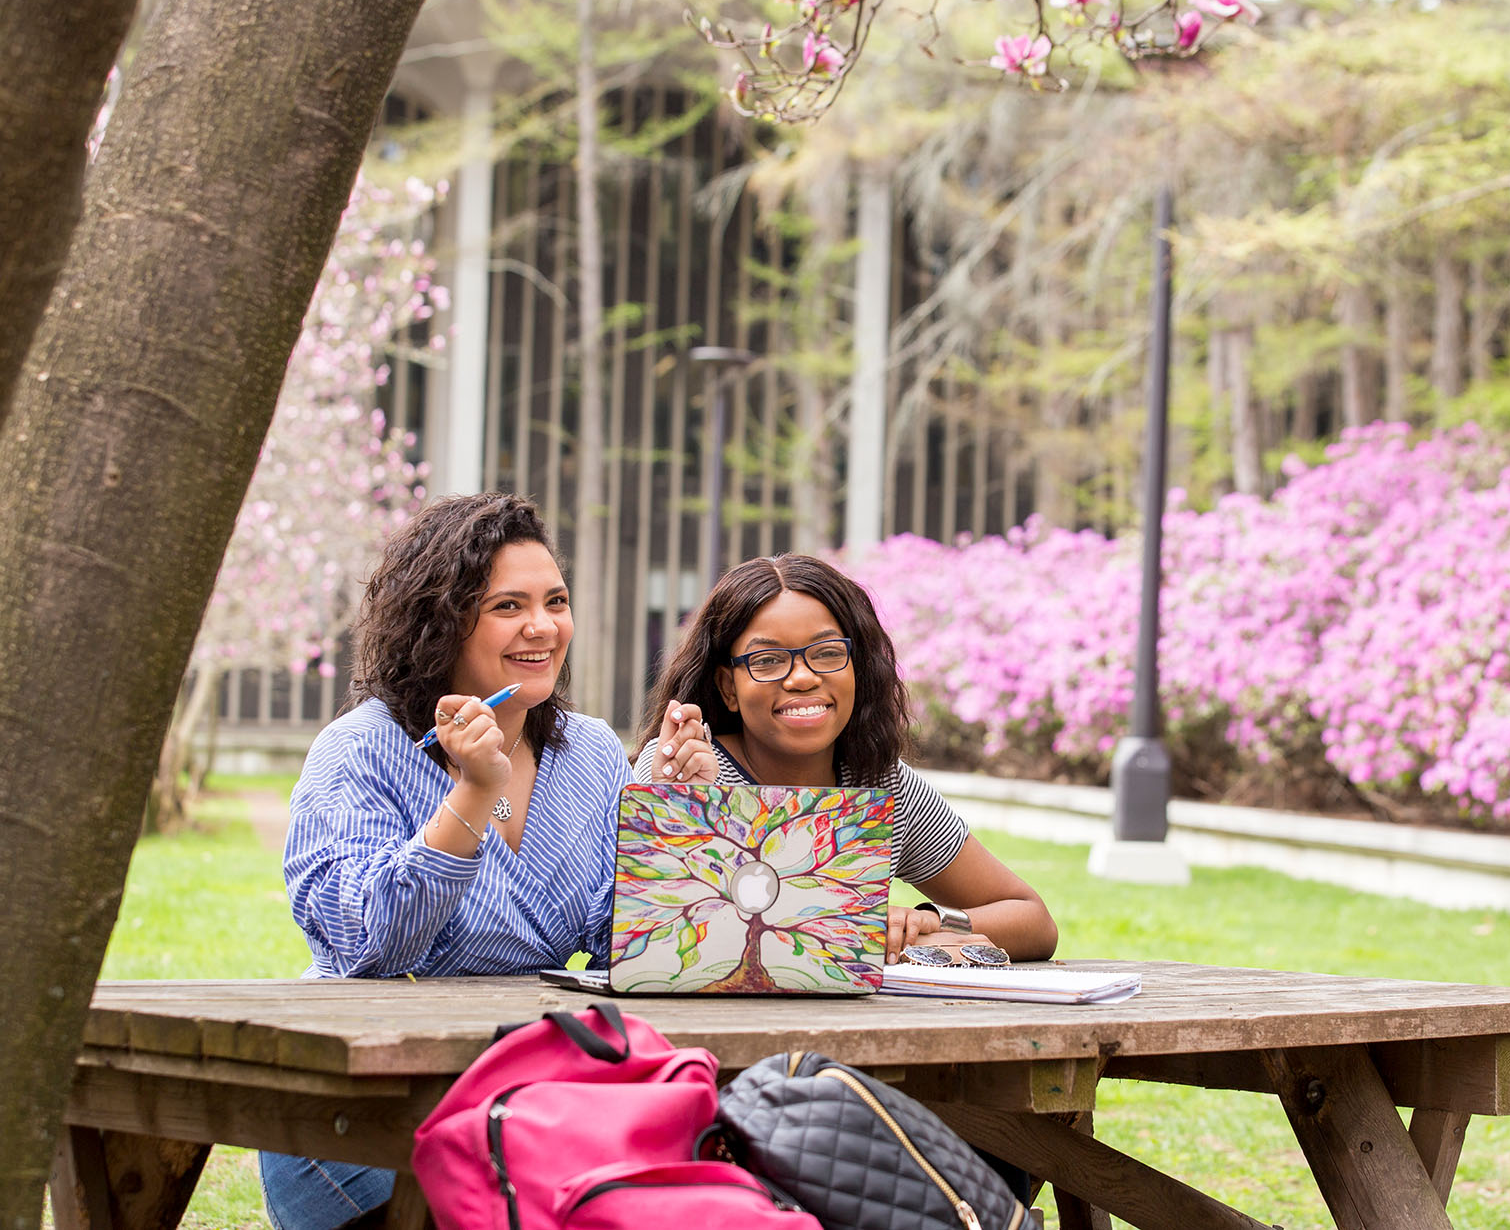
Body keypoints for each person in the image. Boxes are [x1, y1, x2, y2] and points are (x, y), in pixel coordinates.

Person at [262, 492, 628, 1230]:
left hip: (530, 1099)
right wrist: (471, 795)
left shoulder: (590, 753)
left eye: (555, 600)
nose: (542, 626)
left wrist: (676, 831)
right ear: (442, 620)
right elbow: (367, 943)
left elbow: (624, 942)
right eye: (507, 605)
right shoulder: (360, 748)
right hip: (365, 1106)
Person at [632, 553, 1059, 965]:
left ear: (857, 665)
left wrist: (928, 922)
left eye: (827, 652)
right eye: (767, 660)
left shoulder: (883, 783)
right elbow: (655, 937)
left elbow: (1034, 920)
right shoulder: (685, 765)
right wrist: (684, 806)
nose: (802, 677)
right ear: (729, 687)